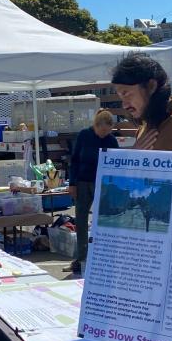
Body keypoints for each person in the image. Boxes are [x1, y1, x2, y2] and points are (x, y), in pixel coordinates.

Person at [111, 51, 172, 152]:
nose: (124, 105)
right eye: (121, 97)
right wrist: (136, 155)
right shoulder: (146, 125)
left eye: (126, 94)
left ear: (151, 86)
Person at [68, 108, 119, 273]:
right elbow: (74, 160)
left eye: (108, 131)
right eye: (101, 130)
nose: (104, 134)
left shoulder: (111, 141)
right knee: (81, 220)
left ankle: (102, 258)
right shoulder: (84, 135)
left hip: (102, 184)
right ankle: (81, 258)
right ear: (96, 126)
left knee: (103, 221)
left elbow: (117, 164)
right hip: (82, 182)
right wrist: (72, 183)